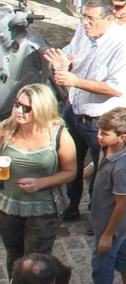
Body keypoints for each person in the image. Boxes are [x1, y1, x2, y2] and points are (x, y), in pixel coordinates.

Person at [41, 0, 126, 219]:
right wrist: (63, 61)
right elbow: (72, 52)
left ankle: (96, 215)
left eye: (91, 19)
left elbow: (116, 87)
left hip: (100, 119)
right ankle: (70, 208)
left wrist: (76, 81)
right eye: (83, 17)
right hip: (75, 111)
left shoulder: (122, 45)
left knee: (101, 172)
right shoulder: (83, 30)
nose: (85, 23)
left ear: (109, 18)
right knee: (69, 162)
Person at [0, 86, 76, 274]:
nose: (18, 110)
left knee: (36, 261)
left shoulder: (58, 135)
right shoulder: (5, 129)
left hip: (45, 208)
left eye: (26, 108)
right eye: (17, 104)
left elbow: (70, 172)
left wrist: (41, 182)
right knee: (14, 255)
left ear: (41, 109)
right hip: (9, 206)